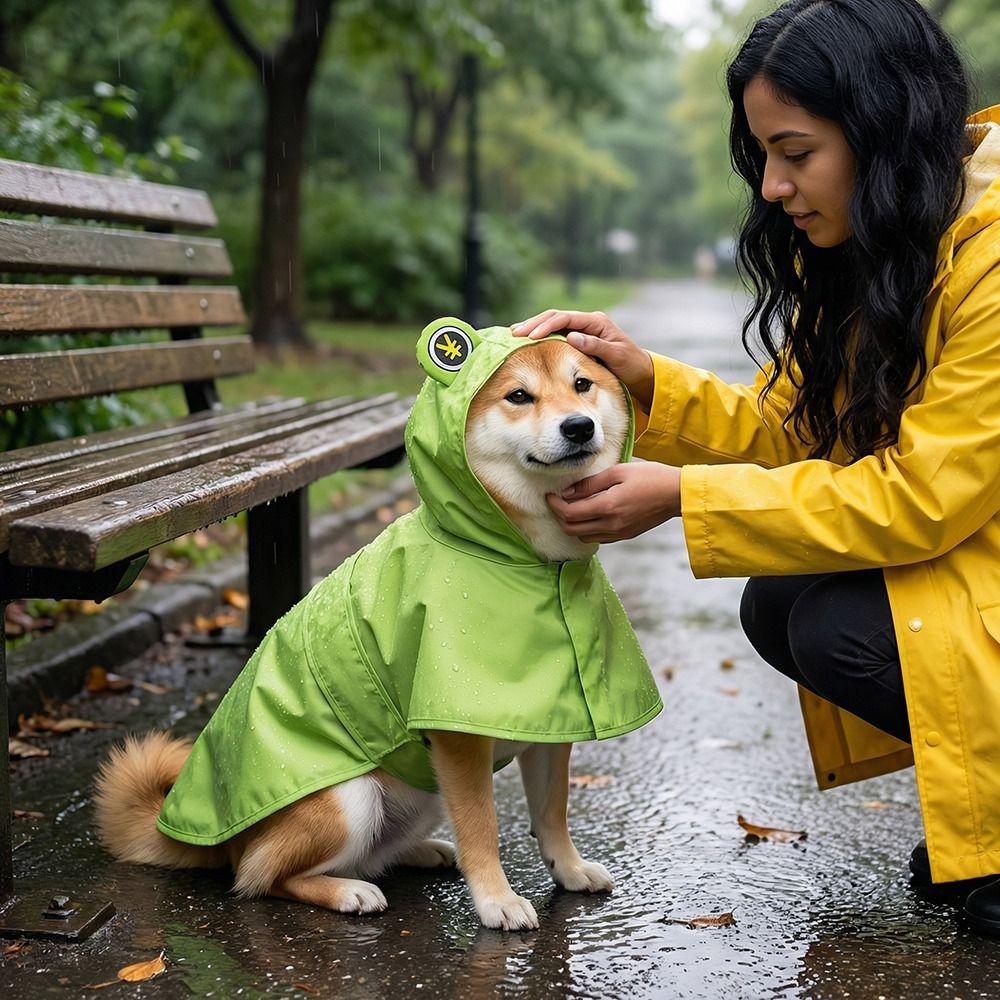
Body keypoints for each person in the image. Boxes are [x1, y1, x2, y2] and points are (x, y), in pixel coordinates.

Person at [512, 0, 1000, 936]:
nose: (773, 186)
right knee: (785, 602)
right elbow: (791, 429)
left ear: (880, 132)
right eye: (763, 157)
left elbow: (921, 498)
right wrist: (644, 381)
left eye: (796, 152)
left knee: (838, 625)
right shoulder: (895, 242)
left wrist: (685, 498)